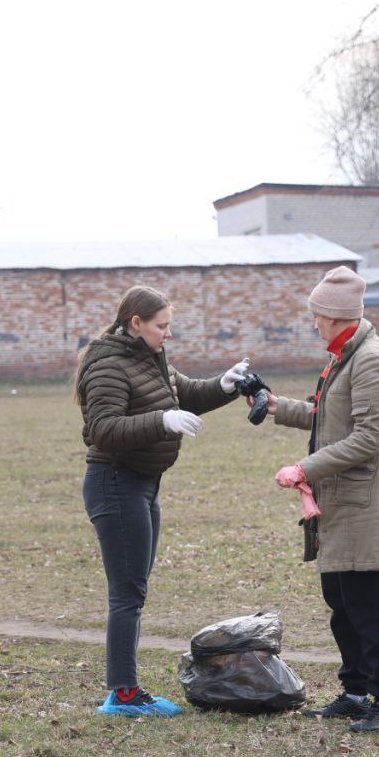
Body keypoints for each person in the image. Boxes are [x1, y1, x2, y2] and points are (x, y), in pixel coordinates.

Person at [74, 285, 251, 718]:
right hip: (116, 484)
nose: (167, 334)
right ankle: (122, 694)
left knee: (134, 589)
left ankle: (125, 691)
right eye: (161, 326)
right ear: (136, 323)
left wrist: (224, 385)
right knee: (127, 593)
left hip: (143, 484)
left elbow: (182, 393)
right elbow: (103, 427)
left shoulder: (147, 357)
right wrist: (161, 421)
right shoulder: (109, 364)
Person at [258, 266, 379, 733]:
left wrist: (304, 469)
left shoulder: (369, 360)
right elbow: (329, 417)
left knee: (368, 604)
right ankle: (354, 692)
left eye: (316, 315)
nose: (313, 323)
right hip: (341, 501)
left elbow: (368, 438)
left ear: (333, 316)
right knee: (340, 600)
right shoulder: (345, 355)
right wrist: (274, 406)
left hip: (363, 503)